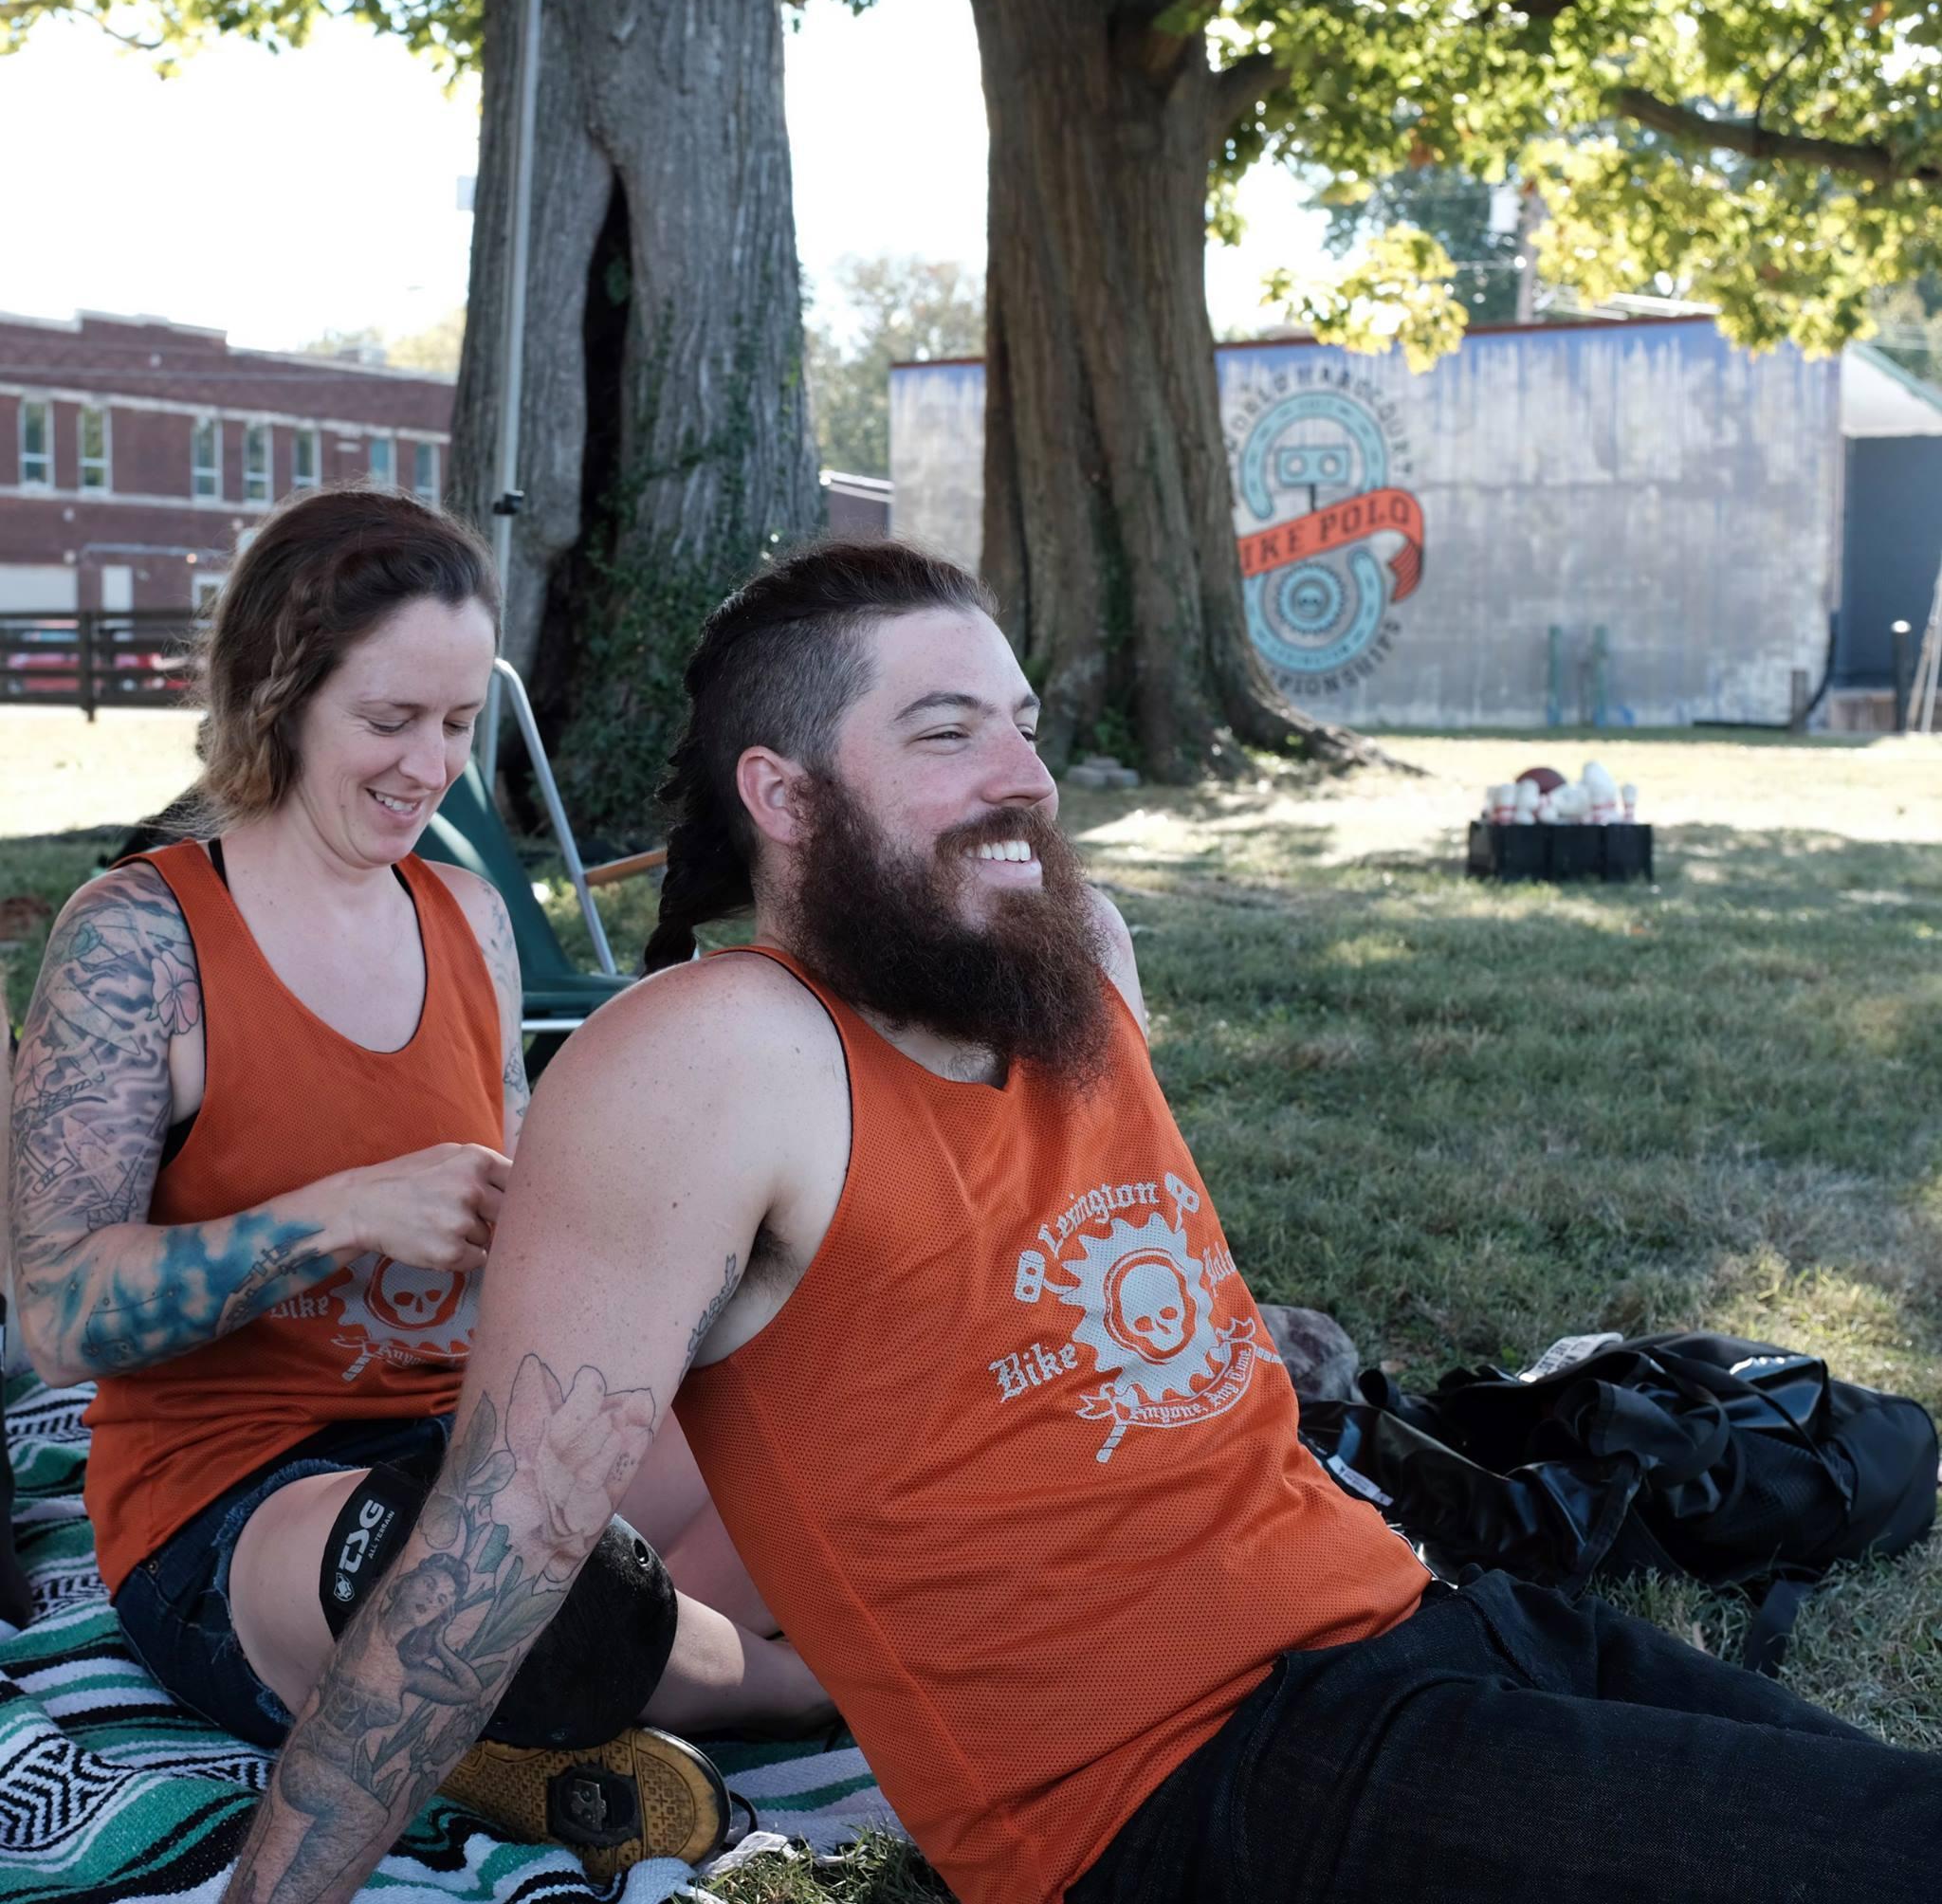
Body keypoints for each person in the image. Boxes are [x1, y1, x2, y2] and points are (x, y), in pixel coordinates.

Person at [220, 540, 1942, 1904]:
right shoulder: (707, 1060)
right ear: (786, 796)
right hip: (1190, 1785)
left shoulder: (1070, 965)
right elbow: (495, 1544)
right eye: (945, 733)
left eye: (1023, 722)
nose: (1020, 775)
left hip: (1420, 1621)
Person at [4, 486, 825, 1880]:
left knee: (825, 1369)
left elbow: (515, 1218)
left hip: (494, 1452)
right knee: (465, 1571)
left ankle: (575, 1690)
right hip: (256, 1516)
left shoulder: (468, 916)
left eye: (458, 726)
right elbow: (57, 1311)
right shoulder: (138, 940)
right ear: (278, 692)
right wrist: (339, 1216)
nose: (430, 767)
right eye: (391, 722)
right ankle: (788, 1683)